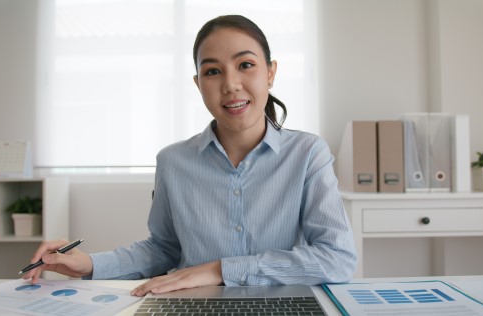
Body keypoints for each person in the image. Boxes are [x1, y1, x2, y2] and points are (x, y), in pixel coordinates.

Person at [24, 14, 357, 296]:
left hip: (279, 305)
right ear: (198, 83)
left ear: (270, 73)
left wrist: (220, 270)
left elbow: (336, 258)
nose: (231, 84)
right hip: (192, 305)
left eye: (246, 65)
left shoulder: (308, 154)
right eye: (213, 71)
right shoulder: (172, 162)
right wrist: (90, 264)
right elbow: (164, 250)